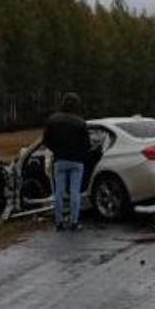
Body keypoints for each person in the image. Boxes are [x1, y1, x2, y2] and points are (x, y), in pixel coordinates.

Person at [43, 92, 88, 231]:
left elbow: (46, 141)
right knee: (75, 192)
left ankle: (59, 222)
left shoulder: (52, 120)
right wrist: (81, 153)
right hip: (76, 161)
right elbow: (86, 144)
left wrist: (57, 149)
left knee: (59, 192)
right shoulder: (80, 122)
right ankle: (74, 222)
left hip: (60, 160)